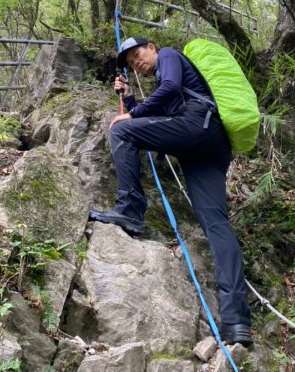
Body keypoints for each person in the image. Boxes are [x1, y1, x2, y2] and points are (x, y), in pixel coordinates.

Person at [88, 37, 252, 347]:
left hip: (197, 125)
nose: (137, 62)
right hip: (207, 148)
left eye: (138, 54)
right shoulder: (162, 78)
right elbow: (160, 109)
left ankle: (129, 210)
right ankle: (237, 321)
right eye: (132, 62)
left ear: (152, 48)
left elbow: (170, 90)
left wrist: (132, 116)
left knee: (121, 130)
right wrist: (130, 99)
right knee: (216, 226)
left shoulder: (170, 57)